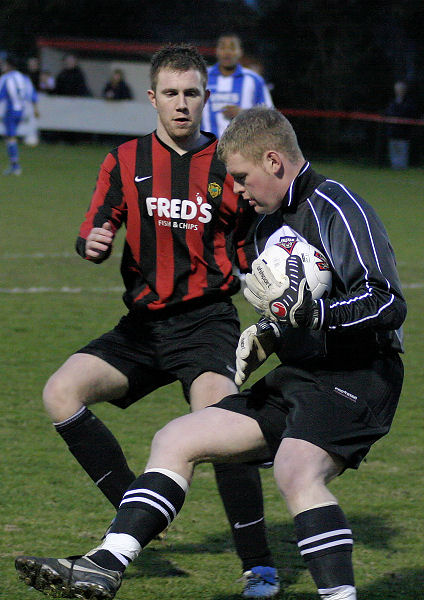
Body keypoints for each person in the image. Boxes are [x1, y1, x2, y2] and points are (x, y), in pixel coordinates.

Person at [15, 107, 407, 600]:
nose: (237, 191)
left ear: (273, 160)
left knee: (295, 470)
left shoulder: (337, 206)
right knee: (176, 437)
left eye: (242, 178)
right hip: (302, 374)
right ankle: (104, 565)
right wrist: (265, 336)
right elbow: (294, 310)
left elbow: (387, 301)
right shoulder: (266, 227)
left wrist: (314, 315)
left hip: (361, 373)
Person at [14, 47, 279, 598]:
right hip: (141, 327)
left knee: (220, 423)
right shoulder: (123, 160)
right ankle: (138, 510)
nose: (182, 105)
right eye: (172, 94)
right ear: (153, 97)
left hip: (206, 324)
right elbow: (93, 233)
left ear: (206, 98)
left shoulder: (227, 167)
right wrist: (92, 243)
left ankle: (259, 566)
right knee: (61, 392)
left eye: (192, 93)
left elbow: (259, 246)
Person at [201, 32, 274, 138]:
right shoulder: (202, 77)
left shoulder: (254, 80)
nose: (227, 52)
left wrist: (245, 115)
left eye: (232, 48)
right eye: (222, 47)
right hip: (207, 148)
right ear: (216, 51)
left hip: (244, 148)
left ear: (240, 52)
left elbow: (270, 116)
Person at [0, 54, 39, 174]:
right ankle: (14, 164)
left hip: (11, 110)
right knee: (11, 137)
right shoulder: (25, 78)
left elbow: (1, 95)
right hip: (21, 111)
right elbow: (32, 95)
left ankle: (15, 166)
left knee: (10, 137)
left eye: (4, 64)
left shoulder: (6, 78)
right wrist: (36, 109)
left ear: (9, 65)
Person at [385, 80, 419, 169]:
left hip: (403, 132)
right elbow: (388, 113)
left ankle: (402, 169)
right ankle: (394, 168)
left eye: (400, 89)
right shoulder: (392, 102)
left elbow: (409, 113)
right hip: (393, 131)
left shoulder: (408, 102)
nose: (398, 91)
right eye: (397, 89)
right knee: (393, 152)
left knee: (402, 152)